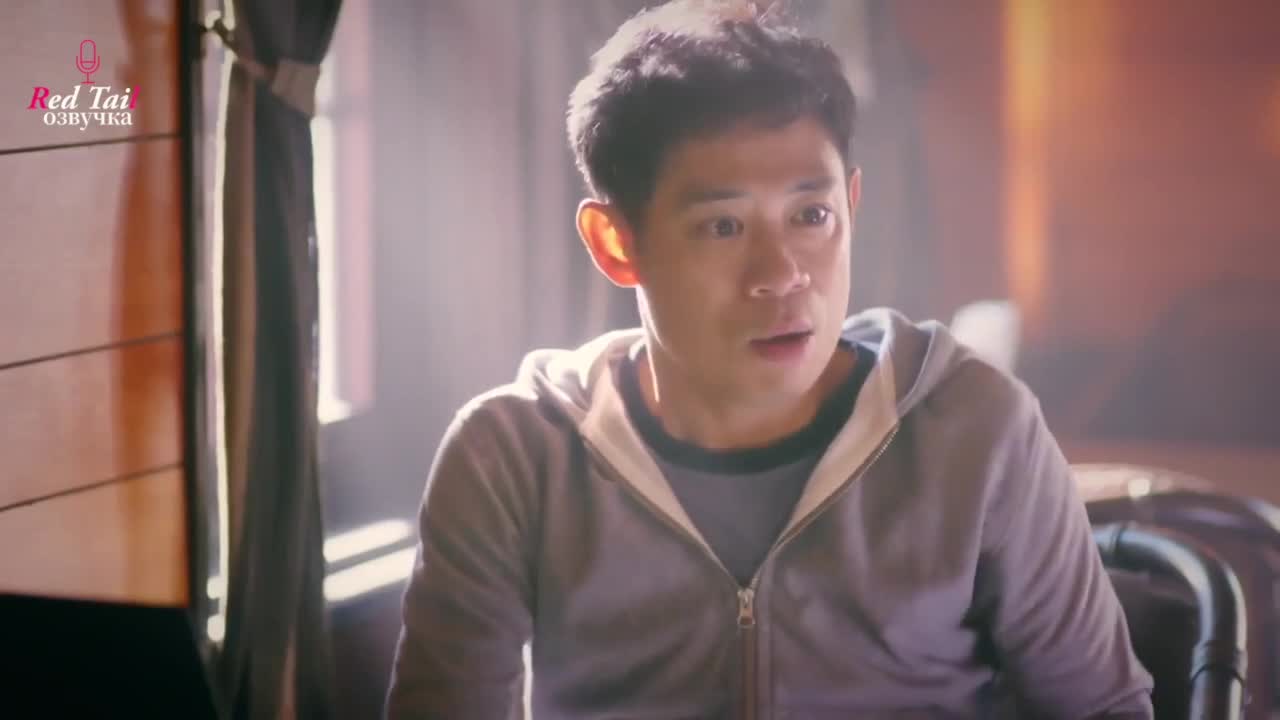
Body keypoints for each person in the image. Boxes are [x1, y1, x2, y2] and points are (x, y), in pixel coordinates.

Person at [386, 1, 1154, 717]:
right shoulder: (513, 459)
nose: (782, 274)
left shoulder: (976, 430)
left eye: (811, 215)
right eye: (722, 227)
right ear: (616, 243)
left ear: (852, 205)